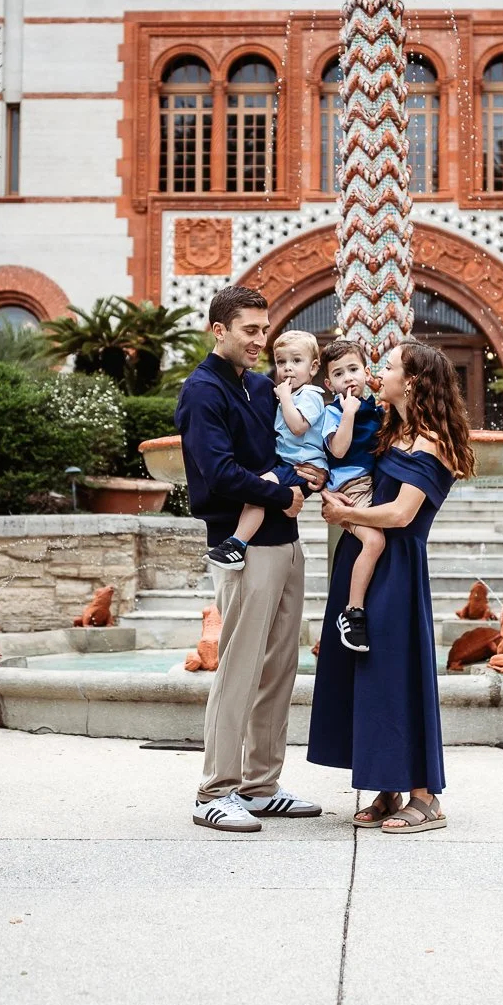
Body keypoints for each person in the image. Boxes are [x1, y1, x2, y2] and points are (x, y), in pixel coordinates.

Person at [176, 286, 329, 833]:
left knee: (279, 668)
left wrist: (306, 481)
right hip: (244, 547)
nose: (261, 340)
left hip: (287, 541)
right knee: (239, 667)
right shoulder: (202, 392)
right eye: (250, 330)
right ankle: (214, 790)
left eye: (264, 330)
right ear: (219, 330)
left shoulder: (262, 387)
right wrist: (283, 490)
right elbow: (217, 475)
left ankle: (260, 786)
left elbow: (295, 450)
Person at [307, 340, 476, 834]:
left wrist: (344, 513)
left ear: (415, 380)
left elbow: (402, 514)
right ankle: (388, 786)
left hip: (398, 570)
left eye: (390, 365)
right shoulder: (393, 431)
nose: (380, 372)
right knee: (367, 674)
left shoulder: (432, 444)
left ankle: (426, 799)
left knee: (398, 673)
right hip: (364, 562)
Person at [206, 330, 329, 571]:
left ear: (314, 368)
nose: (288, 368)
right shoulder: (288, 394)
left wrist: (284, 398)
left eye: (296, 361)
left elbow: (297, 427)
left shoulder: (311, 397)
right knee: (260, 491)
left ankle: (237, 543)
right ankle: (237, 543)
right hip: (289, 464)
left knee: (260, 489)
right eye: (281, 362)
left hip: (300, 466)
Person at [319, 338, 385, 653]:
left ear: (366, 371)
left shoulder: (376, 407)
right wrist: (347, 414)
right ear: (329, 382)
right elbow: (339, 449)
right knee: (375, 541)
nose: (348, 378)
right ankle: (352, 612)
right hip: (348, 487)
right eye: (339, 373)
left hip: (371, 482)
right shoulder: (332, 413)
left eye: (353, 369)